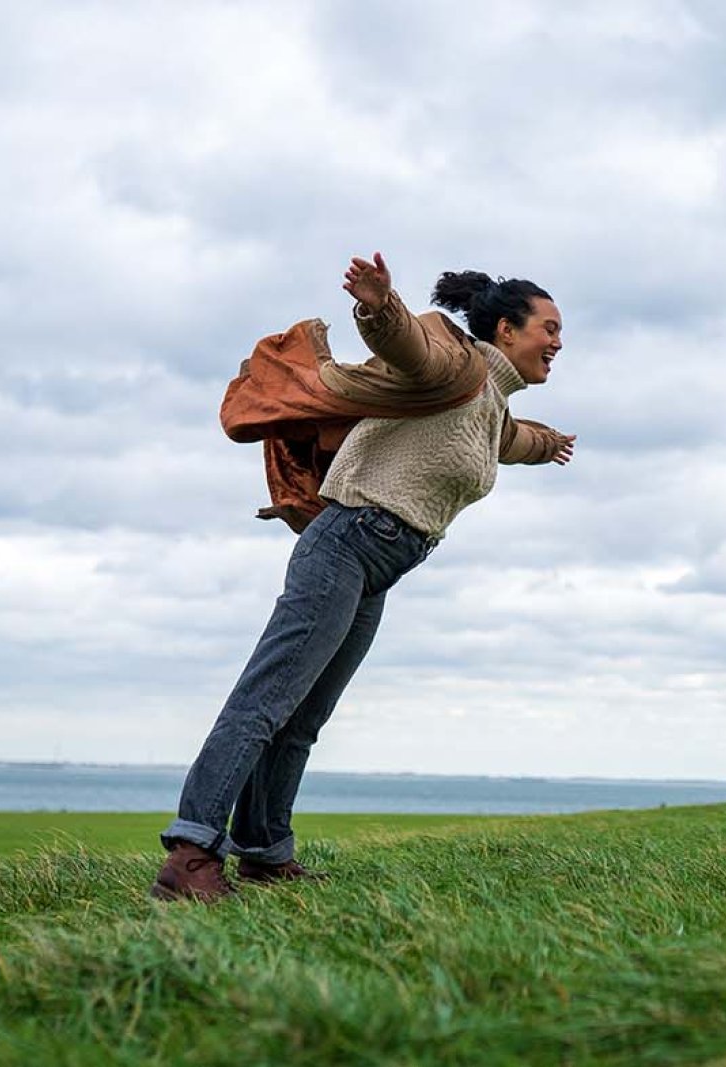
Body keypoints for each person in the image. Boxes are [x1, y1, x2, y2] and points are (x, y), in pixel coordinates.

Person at [151, 252, 574, 901]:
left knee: (304, 715)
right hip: (347, 541)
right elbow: (409, 347)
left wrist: (551, 446)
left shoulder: (489, 407)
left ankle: (264, 851)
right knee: (266, 699)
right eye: (549, 326)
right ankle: (191, 852)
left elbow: (514, 441)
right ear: (506, 330)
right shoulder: (454, 366)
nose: (558, 340)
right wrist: (379, 308)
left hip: (378, 563)